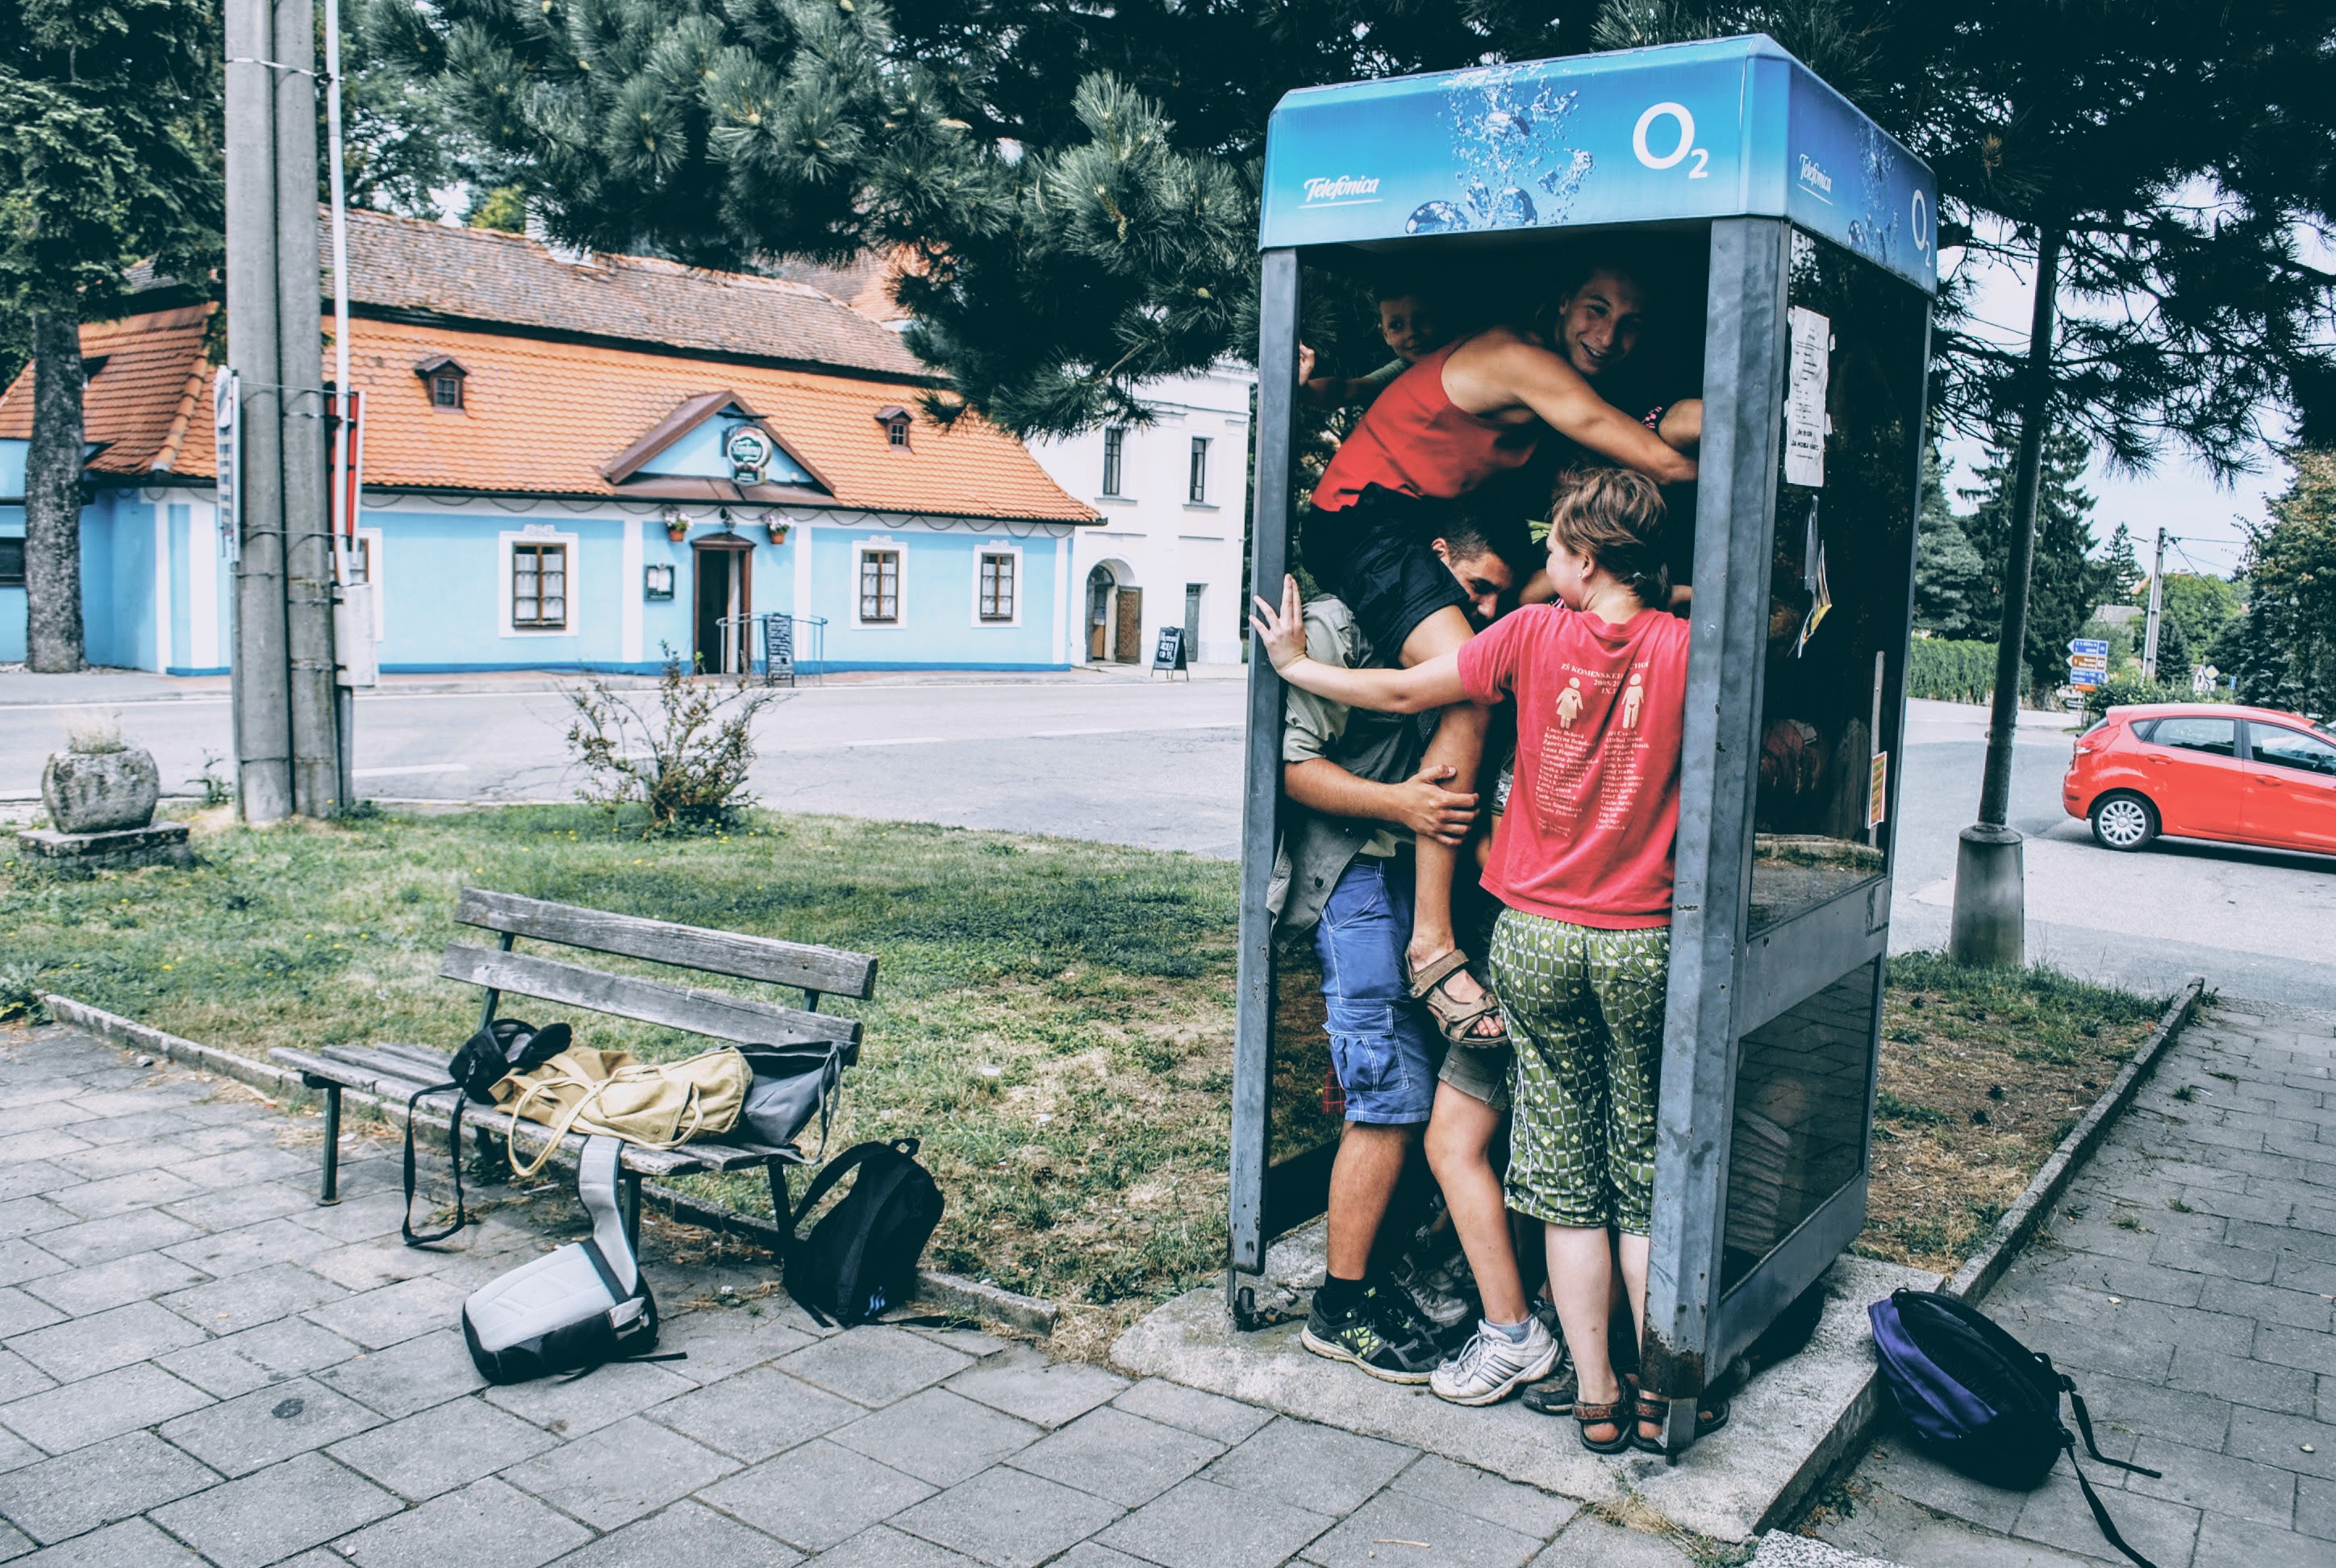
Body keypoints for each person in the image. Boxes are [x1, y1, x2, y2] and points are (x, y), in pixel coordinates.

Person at [1254, 468, 1695, 1450]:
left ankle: (1590, 1397)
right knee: (1639, 1175)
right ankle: (1654, 1386)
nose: (1543, 571)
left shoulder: (1530, 640)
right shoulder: (1683, 648)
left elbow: (1407, 687)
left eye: (1553, 554)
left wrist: (1295, 667)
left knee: (1566, 1180)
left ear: (1582, 559)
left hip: (1536, 934)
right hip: (1641, 939)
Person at [1294, 259, 1700, 1089]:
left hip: (1419, 525)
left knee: (1516, 653)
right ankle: (1432, 946)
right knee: (1470, 692)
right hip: (1366, 523)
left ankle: (1493, 887)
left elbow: (1654, 425)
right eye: (1595, 309)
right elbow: (1659, 462)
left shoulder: (1528, 371)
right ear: (1557, 303)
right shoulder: (1518, 359)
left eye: (1628, 324)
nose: (1609, 336)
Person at [1268, 515, 1539, 1385]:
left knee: (1413, 1094)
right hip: (1353, 875)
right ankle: (1337, 1311)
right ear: (1433, 563)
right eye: (1476, 587)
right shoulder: (1338, 628)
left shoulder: (1465, 645)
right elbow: (1291, 768)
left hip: (1411, 879)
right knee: (1384, 1097)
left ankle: (1375, 1277)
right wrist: (1404, 808)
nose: (1483, 607)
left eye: (1499, 595)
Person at [1297, 286, 1447, 409]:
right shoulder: (1403, 369)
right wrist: (1301, 388)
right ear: (1385, 334)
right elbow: (1346, 391)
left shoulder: (1462, 352)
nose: (1411, 332)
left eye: (1421, 319)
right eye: (1397, 325)